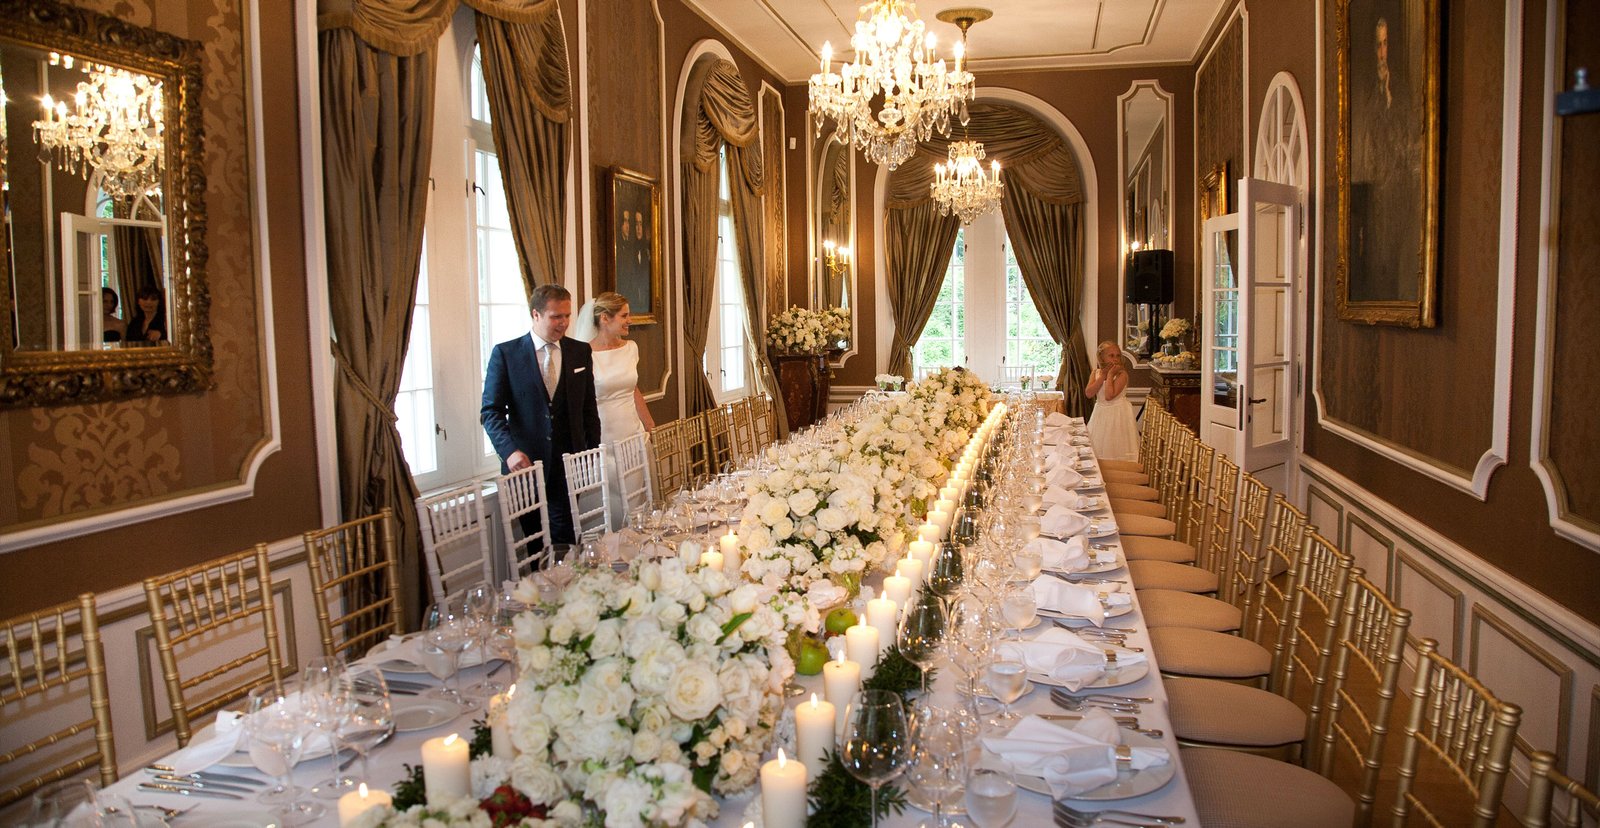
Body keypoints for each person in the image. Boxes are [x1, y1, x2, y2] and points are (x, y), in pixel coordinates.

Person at [481, 284, 603, 546]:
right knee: (535, 545)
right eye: (556, 317)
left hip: (568, 464)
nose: (564, 323)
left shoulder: (580, 351)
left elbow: (588, 407)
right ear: (536, 315)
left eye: (567, 316)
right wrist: (509, 451)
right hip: (525, 467)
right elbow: (490, 412)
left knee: (566, 541)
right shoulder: (506, 354)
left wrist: (590, 452)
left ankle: (568, 586)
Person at [572, 291, 657, 528]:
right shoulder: (583, 353)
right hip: (602, 436)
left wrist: (649, 423)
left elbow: (633, 388)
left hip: (632, 432)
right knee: (607, 503)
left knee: (636, 497)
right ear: (605, 319)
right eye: (624, 316)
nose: (630, 320)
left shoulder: (631, 348)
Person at [1084, 341, 1139, 462]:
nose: (1115, 359)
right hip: (1100, 413)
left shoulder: (1122, 374)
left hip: (1118, 413)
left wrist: (1110, 375)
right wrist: (1103, 375)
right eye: (1111, 355)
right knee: (1098, 446)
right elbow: (1089, 393)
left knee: (1115, 446)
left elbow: (1109, 395)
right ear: (1102, 357)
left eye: (1118, 355)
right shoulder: (1096, 373)